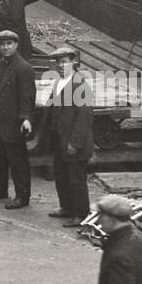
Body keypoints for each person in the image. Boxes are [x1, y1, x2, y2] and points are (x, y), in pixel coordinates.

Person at [0, 30, 35, 209]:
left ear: (16, 45)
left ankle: (22, 196)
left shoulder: (23, 68)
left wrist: (26, 118)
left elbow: (28, 96)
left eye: (9, 44)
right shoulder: (0, 65)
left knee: (17, 161)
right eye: (2, 44)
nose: (5, 47)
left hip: (13, 123)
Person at [46, 46, 94, 226]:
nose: (60, 65)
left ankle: (81, 213)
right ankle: (66, 207)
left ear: (73, 63)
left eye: (64, 62)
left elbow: (84, 117)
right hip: (60, 139)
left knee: (76, 179)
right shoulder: (60, 82)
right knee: (61, 175)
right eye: (58, 62)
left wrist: (75, 143)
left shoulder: (80, 85)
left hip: (74, 143)